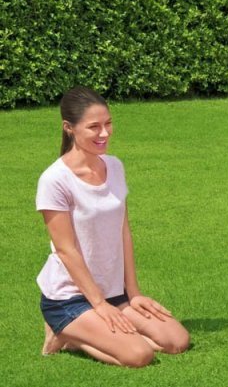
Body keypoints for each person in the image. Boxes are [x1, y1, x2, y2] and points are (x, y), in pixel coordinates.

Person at [37, 86, 190, 366]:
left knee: (177, 341)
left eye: (108, 124)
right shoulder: (54, 180)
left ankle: (84, 333)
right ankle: (65, 331)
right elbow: (66, 250)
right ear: (69, 128)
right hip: (69, 297)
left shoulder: (114, 166)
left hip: (114, 291)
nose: (105, 133)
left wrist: (134, 293)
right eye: (94, 127)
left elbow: (123, 231)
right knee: (139, 355)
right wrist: (99, 304)